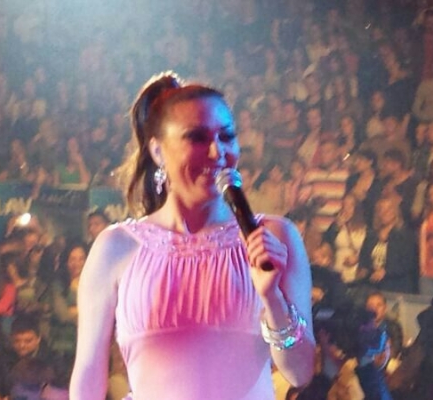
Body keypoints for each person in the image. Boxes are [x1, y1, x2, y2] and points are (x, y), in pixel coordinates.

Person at [70, 72, 314, 399]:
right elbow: (88, 377)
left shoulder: (274, 236)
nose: (217, 152)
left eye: (226, 136)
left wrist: (272, 298)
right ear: (157, 151)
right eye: (197, 137)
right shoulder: (116, 247)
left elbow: (300, 372)